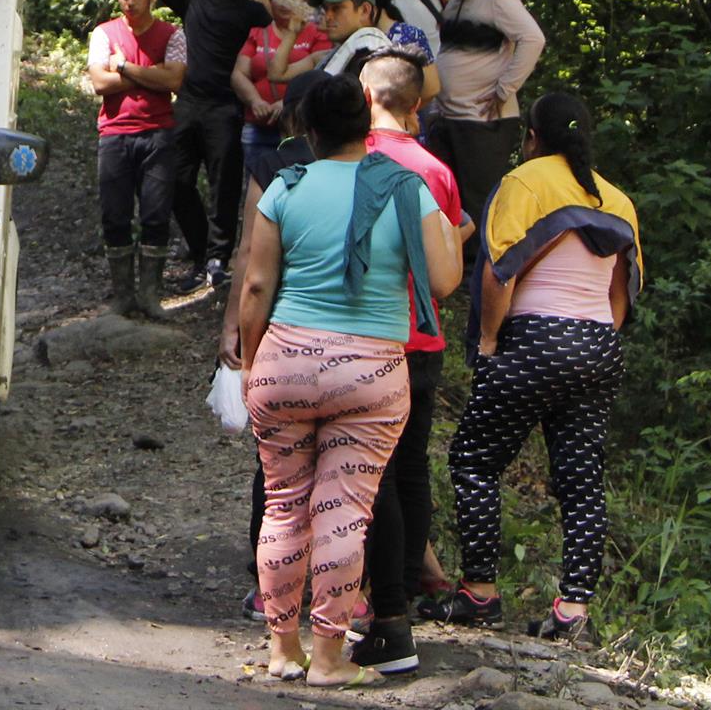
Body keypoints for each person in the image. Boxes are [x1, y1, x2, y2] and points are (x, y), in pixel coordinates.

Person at [239, 75, 461, 688]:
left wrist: (253, 362)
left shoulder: (286, 186)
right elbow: (443, 282)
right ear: (367, 120)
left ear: (307, 129)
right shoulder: (405, 188)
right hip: (370, 372)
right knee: (343, 514)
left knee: (284, 505)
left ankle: (284, 652)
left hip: (287, 361)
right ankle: (331, 659)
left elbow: (256, 286)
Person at [424, 93, 642, 644]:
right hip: (597, 343)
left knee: (475, 459)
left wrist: (493, 340)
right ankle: (573, 610)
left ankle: (478, 593)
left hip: (533, 338)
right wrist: (593, 339)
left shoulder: (523, 183)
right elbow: (622, 293)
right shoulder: (616, 198)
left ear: (533, 138)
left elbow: (500, 272)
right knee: (581, 478)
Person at [350, 52, 471, 675]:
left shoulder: (352, 159)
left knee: (375, 477)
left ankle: (378, 599)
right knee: (413, 467)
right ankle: (405, 588)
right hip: (424, 340)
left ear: (366, 96)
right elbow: (446, 259)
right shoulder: (435, 170)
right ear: (417, 103)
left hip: (371, 337)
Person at [219, 67, 330, 626]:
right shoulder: (370, 170)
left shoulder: (272, 167)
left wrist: (236, 332)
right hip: (354, 339)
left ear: (291, 114)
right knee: (341, 471)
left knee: (278, 468)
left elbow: (249, 259)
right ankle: (342, 596)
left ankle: (270, 588)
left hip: (282, 333)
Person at [151, 0, 272, 291]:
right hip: (187, 102)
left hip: (226, 107)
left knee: (224, 187)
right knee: (176, 181)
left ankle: (218, 260)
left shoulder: (253, 11)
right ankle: (201, 251)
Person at [423, 0, 546, 239]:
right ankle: (455, 266)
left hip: (483, 121)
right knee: (450, 199)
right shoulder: (456, 1)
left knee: (479, 201)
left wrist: (505, 89)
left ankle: (478, 272)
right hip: (450, 117)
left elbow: (533, 39)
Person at [88, 0, 189, 319]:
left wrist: (126, 68)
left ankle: (150, 296)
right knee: (114, 216)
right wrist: (151, 75)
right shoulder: (104, 33)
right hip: (115, 134)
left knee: (156, 215)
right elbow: (100, 82)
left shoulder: (171, 34)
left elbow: (175, 79)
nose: (130, 2)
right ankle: (122, 296)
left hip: (158, 133)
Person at [231, 0, 330, 178]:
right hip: (259, 126)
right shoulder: (258, 34)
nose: (286, 2)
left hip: (299, 126)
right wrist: (255, 101)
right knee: (258, 181)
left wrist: (286, 103)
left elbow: (320, 75)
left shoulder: (317, 33)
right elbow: (239, 73)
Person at [267, 0, 390, 83]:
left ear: (364, 10)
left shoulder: (372, 48)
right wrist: (292, 33)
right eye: (326, 9)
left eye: (336, 8)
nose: (327, 16)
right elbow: (276, 74)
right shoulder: (328, 55)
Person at [352, 0, 440, 107]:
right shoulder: (353, 38)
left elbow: (431, 88)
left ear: (368, 7)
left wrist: (401, 113)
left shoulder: (409, 35)